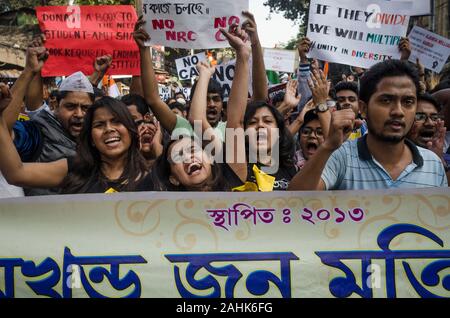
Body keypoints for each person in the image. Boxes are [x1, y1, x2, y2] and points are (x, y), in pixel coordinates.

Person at [289, 59, 448, 190]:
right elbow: (296, 204)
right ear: (363, 109)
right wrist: (328, 146)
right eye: (386, 100)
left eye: (408, 102)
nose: (398, 111)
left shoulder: (433, 164)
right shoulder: (341, 157)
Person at [0, 97, 148, 194]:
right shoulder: (74, 169)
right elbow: (16, 174)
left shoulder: (152, 176)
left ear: (131, 130)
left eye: (117, 121)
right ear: (91, 138)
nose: (109, 129)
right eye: (99, 124)